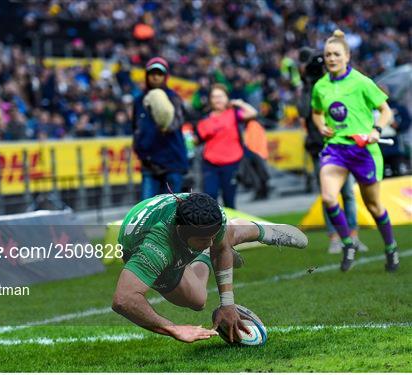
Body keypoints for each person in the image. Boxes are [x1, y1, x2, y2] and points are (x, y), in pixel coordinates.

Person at [112, 192, 308, 343]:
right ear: (181, 232)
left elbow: (221, 249)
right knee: (198, 301)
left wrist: (228, 304)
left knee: (225, 239)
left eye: (212, 236)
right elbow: (124, 300)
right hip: (139, 241)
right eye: (205, 239)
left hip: (181, 220)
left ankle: (258, 229)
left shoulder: (212, 214)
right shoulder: (155, 250)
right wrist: (173, 328)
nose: (211, 241)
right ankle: (207, 253)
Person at [311, 30, 399, 272]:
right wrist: (321, 127)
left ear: (347, 56)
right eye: (328, 54)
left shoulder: (362, 82)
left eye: (336, 54)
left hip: (364, 151)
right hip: (336, 149)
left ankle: (390, 247)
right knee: (329, 198)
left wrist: (377, 130)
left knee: (373, 206)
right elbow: (316, 112)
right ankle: (348, 242)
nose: (331, 58)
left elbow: (386, 111)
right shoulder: (320, 86)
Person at [297, 47, 368, 254]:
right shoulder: (307, 88)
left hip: (341, 145)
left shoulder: (334, 85)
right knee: (328, 194)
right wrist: (310, 84)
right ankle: (335, 238)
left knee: (347, 193)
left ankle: (353, 236)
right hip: (319, 148)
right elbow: (303, 111)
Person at [132, 57, 189, 200]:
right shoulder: (139, 100)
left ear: (165, 76)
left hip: (172, 162)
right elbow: (135, 127)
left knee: (170, 209)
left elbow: (176, 123)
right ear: (147, 75)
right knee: (147, 209)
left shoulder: (174, 98)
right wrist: (140, 149)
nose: (156, 76)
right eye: (152, 73)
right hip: (149, 163)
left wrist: (161, 113)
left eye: (159, 73)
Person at [196, 84, 257, 208]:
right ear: (210, 100)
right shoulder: (204, 118)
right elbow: (197, 139)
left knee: (229, 201)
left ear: (227, 98)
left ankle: (229, 227)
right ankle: (214, 227)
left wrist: (239, 103)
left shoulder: (234, 114)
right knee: (209, 198)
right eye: (214, 97)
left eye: (221, 96)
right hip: (210, 164)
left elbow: (253, 113)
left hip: (231, 163)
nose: (218, 99)